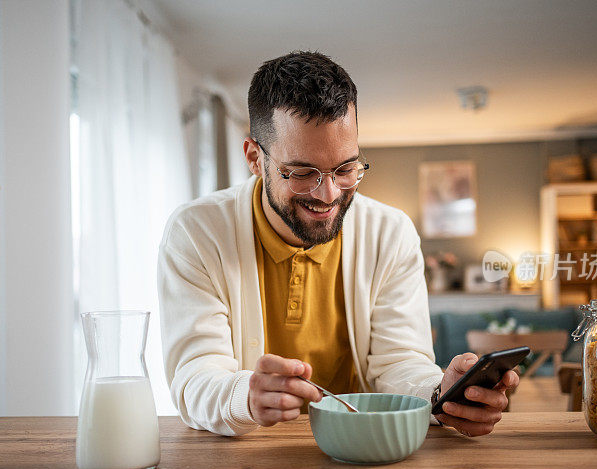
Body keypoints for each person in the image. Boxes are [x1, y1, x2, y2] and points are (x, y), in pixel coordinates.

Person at [158, 51, 518, 437]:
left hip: (365, 447)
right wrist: (244, 395)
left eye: (346, 169)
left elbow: (399, 362)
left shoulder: (391, 233)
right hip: (248, 456)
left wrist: (440, 393)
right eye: (302, 172)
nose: (328, 194)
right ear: (253, 158)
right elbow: (195, 375)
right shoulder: (196, 232)